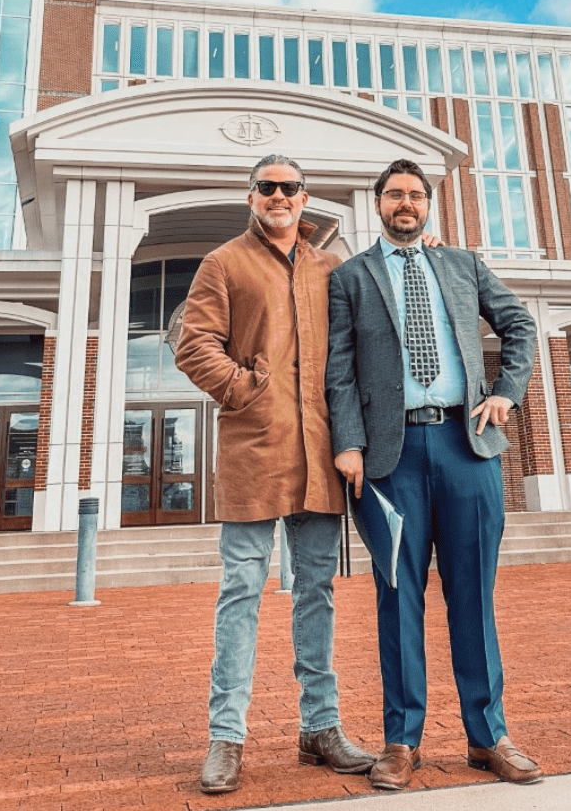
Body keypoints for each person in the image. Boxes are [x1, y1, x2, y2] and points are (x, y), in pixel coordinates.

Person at [326, 157, 542, 791]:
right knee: (398, 599)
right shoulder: (351, 278)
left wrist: (507, 390)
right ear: (379, 204)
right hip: (390, 461)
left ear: (428, 204)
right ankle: (400, 740)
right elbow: (338, 368)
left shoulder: (463, 265)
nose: (406, 204)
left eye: (416, 195)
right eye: (394, 195)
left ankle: (488, 736)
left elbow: (520, 325)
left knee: (473, 596)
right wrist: (349, 444)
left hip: (466, 444)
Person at [175, 154, 375, 795]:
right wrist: (244, 389)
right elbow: (193, 343)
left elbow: (363, 338)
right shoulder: (223, 263)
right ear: (252, 196)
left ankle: (320, 728)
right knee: (241, 596)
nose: (279, 195)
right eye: (268, 187)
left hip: (320, 459)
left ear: (305, 197)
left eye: (290, 187)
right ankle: (226, 738)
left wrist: (425, 245)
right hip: (254, 454)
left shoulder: (330, 268)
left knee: (316, 594)